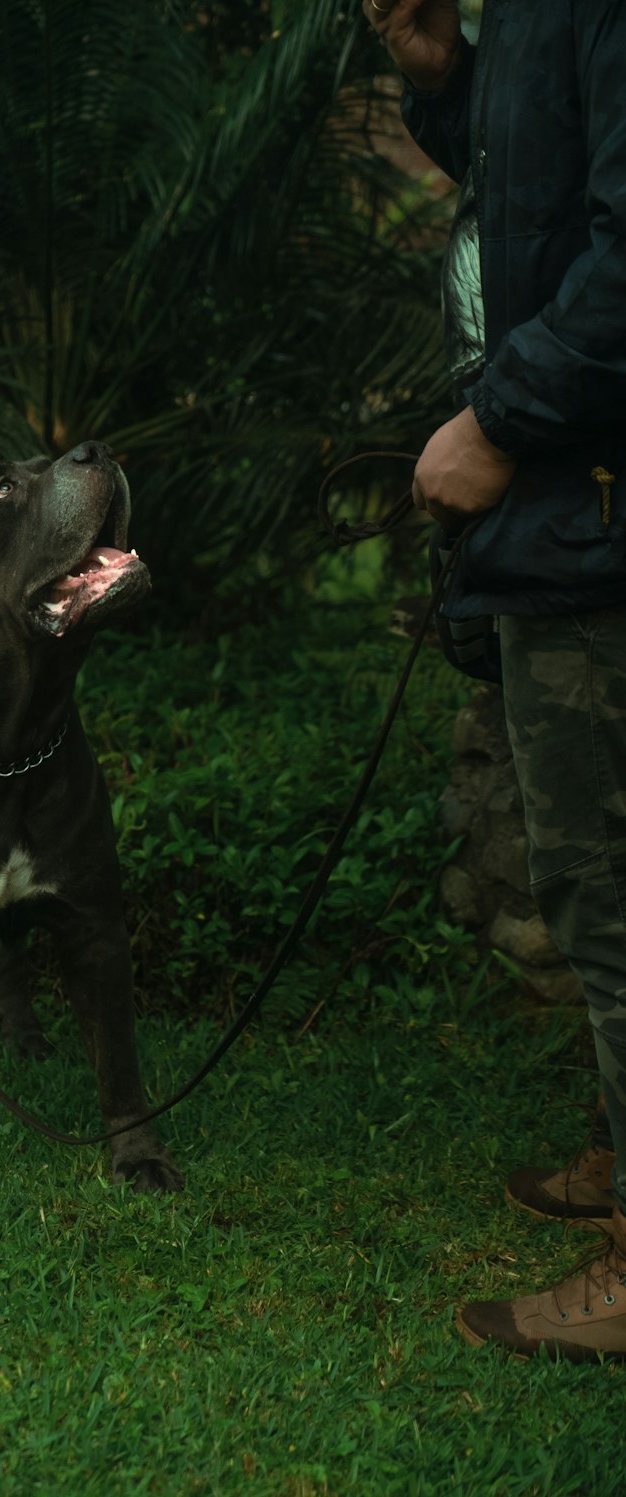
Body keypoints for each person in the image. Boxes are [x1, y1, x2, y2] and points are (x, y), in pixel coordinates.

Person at [363, 0, 626, 1360]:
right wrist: (445, 79)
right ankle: (610, 1155)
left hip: (594, 507)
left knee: (613, 889)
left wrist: (499, 421)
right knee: (595, 884)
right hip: (561, 519)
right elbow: (539, 189)